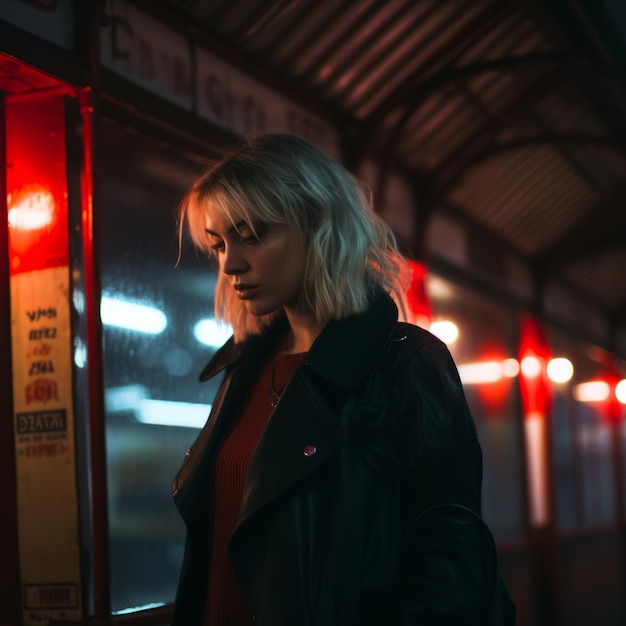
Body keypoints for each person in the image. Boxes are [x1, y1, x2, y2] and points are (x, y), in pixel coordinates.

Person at [171, 133, 515, 626]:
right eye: (219, 244)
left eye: (252, 234)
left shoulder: (407, 365)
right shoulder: (242, 372)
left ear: (318, 226)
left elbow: (449, 566)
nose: (231, 264)